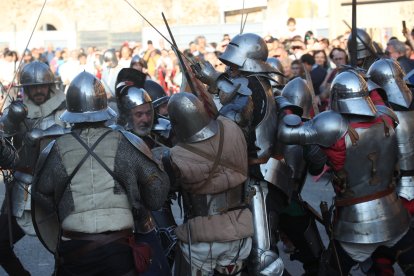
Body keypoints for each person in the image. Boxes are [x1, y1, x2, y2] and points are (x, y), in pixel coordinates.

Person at [31, 71, 171, 276]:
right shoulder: (125, 142)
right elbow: (157, 194)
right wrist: (137, 202)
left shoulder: (56, 148)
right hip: (118, 250)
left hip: (75, 251)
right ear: (103, 108)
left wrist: (65, 208)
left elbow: (40, 193)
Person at [278, 69, 414, 275]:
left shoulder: (332, 125)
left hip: (356, 223)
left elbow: (286, 133)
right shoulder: (387, 116)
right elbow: (377, 99)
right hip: (394, 214)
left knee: (330, 270)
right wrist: (365, 78)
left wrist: (286, 104)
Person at [193, 32, 285, 275]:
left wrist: (213, 81)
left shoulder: (251, 86)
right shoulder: (255, 84)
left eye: (233, 65)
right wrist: (214, 81)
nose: (230, 69)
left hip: (256, 180)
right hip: (257, 173)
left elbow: (230, 119)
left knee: (262, 258)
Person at [158, 92, 253, 275]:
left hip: (201, 242)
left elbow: (164, 190)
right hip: (240, 234)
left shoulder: (175, 156)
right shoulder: (231, 127)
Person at [0, 61, 66, 276]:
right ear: (25, 88)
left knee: (67, 250)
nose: (38, 90)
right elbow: (5, 148)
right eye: (33, 86)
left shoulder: (66, 112)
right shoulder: (17, 112)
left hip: (59, 188)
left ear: (50, 85)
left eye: (42, 85)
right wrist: (10, 122)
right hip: (22, 185)